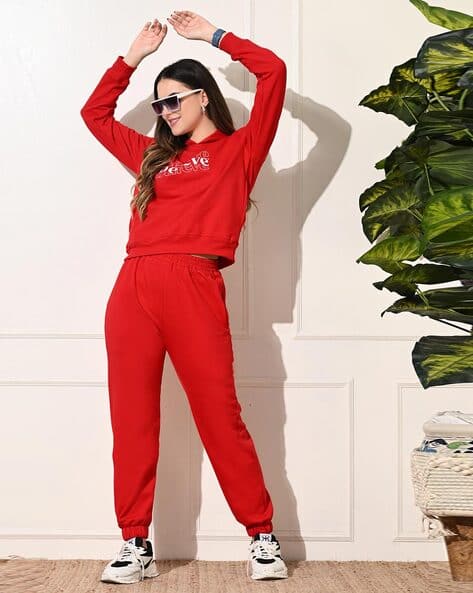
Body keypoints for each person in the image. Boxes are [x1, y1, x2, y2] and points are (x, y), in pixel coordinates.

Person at [80, 9, 287, 585]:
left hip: (195, 283)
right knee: (132, 420)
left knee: (220, 416)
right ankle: (134, 542)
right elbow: (93, 114)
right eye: (159, 104)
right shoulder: (153, 157)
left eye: (174, 100)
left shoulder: (240, 150)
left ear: (202, 97)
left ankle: (262, 536)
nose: (165, 111)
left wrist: (214, 36)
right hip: (134, 287)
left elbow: (273, 72)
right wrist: (133, 57)